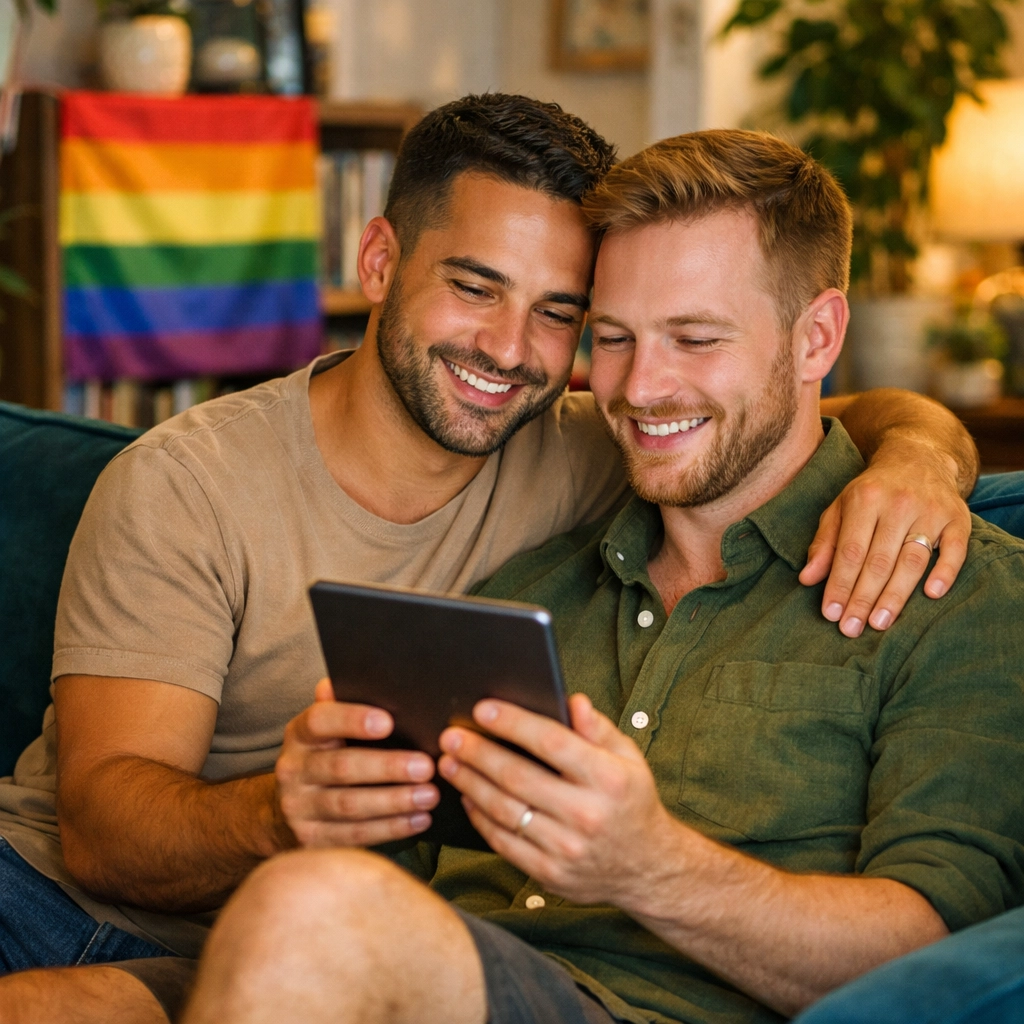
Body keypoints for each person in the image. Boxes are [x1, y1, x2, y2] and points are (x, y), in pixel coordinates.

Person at [0, 98, 979, 1024]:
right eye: (474, 286)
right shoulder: (191, 481)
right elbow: (98, 834)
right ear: (378, 261)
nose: (510, 349)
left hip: (315, 945)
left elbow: (778, 426)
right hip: (57, 894)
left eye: (560, 313)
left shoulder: (616, 446)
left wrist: (925, 452)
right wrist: (277, 812)